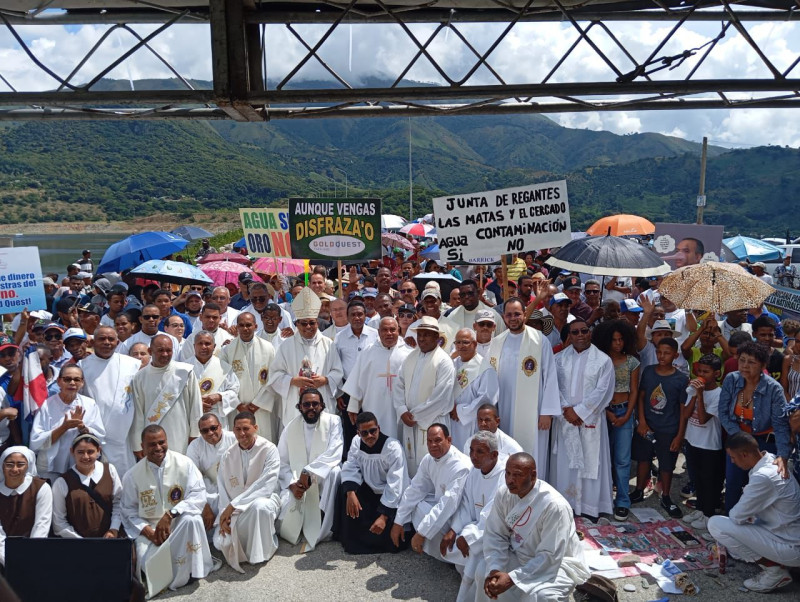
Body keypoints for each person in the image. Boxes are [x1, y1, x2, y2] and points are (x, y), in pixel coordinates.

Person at [477, 452, 590, 601]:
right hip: (519, 553)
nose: (510, 480)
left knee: (542, 596)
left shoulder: (554, 506)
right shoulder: (504, 493)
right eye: (508, 473)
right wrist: (496, 568)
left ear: (533, 475)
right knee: (483, 571)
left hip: (558, 564)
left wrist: (512, 578)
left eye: (517, 475)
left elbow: (550, 556)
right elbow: (495, 534)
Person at [122, 425, 217, 594]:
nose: (158, 448)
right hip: (151, 529)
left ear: (167, 441)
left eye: (161, 442)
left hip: (177, 522)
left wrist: (170, 514)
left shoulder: (184, 463)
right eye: (151, 444)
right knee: (148, 564)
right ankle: (175, 570)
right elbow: (128, 511)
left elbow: (198, 494)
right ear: (142, 446)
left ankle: (192, 571)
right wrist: (148, 532)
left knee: (192, 519)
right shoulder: (132, 475)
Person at [708, 432, 800, 592]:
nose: (732, 461)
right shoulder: (769, 459)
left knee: (716, 524)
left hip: (791, 546)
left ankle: (774, 572)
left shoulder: (763, 476)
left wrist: (748, 519)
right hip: (783, 532)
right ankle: (776, 562)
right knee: (737, 537)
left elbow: (736, 516)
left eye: (733, 457)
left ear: (744, 454)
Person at [478, 298, 560, 479]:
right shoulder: (497, 342)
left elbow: (550, 376)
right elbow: (489, 378)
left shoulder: (539, 340)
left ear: (524, 314)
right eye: (509, 315)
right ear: (503, 317)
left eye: (517, 314)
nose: (513, 318)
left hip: (533, 412)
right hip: (504, 410)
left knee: (532, 454)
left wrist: (547, 412)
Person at [551, 319, 615, 520]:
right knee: (565, 463)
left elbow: (603, 391)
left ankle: (589, 507)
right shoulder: (558, 359)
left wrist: (579, 412)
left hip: (590, 421)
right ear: (569, 336)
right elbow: (553, 387)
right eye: (575, 332)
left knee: (590, 461)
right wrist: (565, 410)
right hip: (565, 420)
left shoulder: (603, 360)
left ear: (590, 333)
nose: (580, 335)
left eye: (584, 331)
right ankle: (565, 505)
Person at [717, 341, 791, 511]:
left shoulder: (774, 389)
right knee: (733, 486)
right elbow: (723, 413)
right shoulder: (732, 379)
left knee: (759, 489)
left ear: (763, 365)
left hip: (764, 444)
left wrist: (783, 455)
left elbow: (780, 425)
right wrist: (742, 439)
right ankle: (730, 528)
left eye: (751, 362)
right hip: (737, 439)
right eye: (742, 360)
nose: (744, 366)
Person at [441, 431, 506, 601]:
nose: (473, 456)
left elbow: (493, 517)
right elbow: (466, 505)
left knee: (476, 558)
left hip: (496, 533)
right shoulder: (475, 471)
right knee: (451, 544)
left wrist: (469, 537)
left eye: (480, 452)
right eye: (471, 451)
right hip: (476, 529)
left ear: (494, 455)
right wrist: (454, 530)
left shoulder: (504, 477)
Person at [391, 423, 471, 559]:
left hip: (461, 518)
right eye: (429, 441)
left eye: (438, 440)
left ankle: (449, 556)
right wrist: (398, 522)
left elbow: (448, 505)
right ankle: (439, 552)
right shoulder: (429, 459)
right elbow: (415, 489)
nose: (433, 445)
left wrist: (421, 533)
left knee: (429, 515)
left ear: (449, 440)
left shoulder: (461, 466)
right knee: (416, 504)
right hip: (444, 512)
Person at [214, 411, 281, 572]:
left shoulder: (269, 449)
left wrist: (234, 505)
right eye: (238, 429)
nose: (242, 433)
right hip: (234, 508)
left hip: (266, 498)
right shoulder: (228, 454)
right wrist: (224, 514)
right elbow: (222, 486)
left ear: (255, 427)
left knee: (260, 507)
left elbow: (266, 484)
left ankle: (261, 552)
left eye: (246, 428)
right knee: (221, 542)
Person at [268, 288, 343, 431]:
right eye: (303, 323)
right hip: (296, 400)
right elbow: (275, 374)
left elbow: (337, 371)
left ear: (317, 323)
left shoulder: (328, 344)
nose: (308, 327)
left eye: (312, 323)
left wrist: (325, 380)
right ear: (297, 324)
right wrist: (293, 380)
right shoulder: (286, 346)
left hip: (322, 397)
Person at [277, 388, 343, 550]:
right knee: (285, 508)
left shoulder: (333, 421)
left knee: (335, 472)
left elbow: (335, 452)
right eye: (306, 405)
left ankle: (327, 527)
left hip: (323, 479)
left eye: (315, 404)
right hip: (298, 481)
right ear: (299, 407)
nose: (311, 408)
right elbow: (281, 462)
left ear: (323, 406)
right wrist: (293, 484)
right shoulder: (290, 428)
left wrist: (309, 472)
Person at [630, 337, 688, 518]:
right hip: (647, 426)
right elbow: (641, 397)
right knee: (643, 459)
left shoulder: (681, 379)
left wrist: (679, 436)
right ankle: (639, 490)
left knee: (667, 464)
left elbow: (682, 411)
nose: (662, 356)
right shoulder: (648, 372)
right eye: (659, 352)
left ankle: (666, 496)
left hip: (668, 429)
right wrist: (642, 421)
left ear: (675, 355)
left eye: (667, 353)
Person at [336, 411, 409, 554]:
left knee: (392, 540)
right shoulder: (356, 443)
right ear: (358, 433)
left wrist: (383, 516)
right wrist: (351, 493)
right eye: (364, 433)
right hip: (369, 491)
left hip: (389, 496)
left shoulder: (392, 448)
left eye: (373, 431)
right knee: (344, 490)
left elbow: (396, 483)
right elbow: (351, 466)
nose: (369, 436)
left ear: (379, 428)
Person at [392, 316, 456, 476]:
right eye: (419, 334)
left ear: (437, 337)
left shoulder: (444, 361)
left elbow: (441, 398)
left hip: (432, 422)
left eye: (426, 334)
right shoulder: (411, 357)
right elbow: (399, 384)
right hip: (410, 421)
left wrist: (413, 415)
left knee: (432, 466)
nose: (421, 339)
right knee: (411, 463)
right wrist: (401, 410)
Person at [592, 320, 639, 521]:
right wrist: (607, 411)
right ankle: (601, 499)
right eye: (614, 340)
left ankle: (622, 501)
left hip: (624, 412)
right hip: (604, 412)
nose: (618, 344)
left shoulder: (632, 362)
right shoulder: (601, 360)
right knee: (602, 458)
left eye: (621, 340)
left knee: (622, 460)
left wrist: (628, 415)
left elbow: (634, 390)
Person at [79, 326, 140, 476]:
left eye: (111, 339)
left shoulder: (132, 364)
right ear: (92, 342)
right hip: (95, 436)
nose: (107, 342)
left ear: (118, 342)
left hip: (124, 436)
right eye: (102, 339)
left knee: (126, 481)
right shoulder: (82, 366)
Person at [30, 365, 106, 481]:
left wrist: (83, 428)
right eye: (67, 379)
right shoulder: (47, 405)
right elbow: (36, 441)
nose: (72, 383)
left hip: (81, 466)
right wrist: (64, 427)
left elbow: (100, 435)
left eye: (76, 379)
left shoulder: (90, 404)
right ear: (59, 382)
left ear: (82, 383)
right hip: (52, 468)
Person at [129, 334, 201, 456]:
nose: (165, 354)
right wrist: (138, 444)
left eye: (169, 350)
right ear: (150, 351)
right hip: (153, 440)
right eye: (160, 350)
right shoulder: (140, 378)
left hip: (182, 434)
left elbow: (195, 406)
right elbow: (138, 414)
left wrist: (195, 436)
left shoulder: (185, 372)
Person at [344, 317, 411, 440]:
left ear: (398, 330)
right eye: (385, 330)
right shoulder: (368, 352)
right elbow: (357, 380)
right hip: (373, 405)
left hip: (399, 408)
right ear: (379, 332)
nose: (389, 333)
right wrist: (353, 406)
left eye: (392, 330)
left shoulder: (408, 353)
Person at [680, 354, 724, 531]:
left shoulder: (718, 394)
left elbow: (704, 418)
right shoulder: (694, 389)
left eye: (706, 372)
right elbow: (685, 415)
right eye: (699, 371)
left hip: (709, 445)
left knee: (709, 481)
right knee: (696, 478)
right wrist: (694, 394)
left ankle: (708, 515)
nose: (701, 375)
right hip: (692, 441)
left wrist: (699, 394)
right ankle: (700, 509)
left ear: (716, 374)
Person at [219, 312, 279, 440]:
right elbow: (223, 381)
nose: (245, 328)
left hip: (261, 408)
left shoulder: (268, 348)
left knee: (263, 443)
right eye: (241, 325)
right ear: (237, 327)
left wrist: (256, 405)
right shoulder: (227, 350)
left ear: (255, 326)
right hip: (237, 408)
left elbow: (273, 379)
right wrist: (239, 405)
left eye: (248, 325)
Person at [51, 433, 123, 538]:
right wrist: (81, 541)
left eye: (90, 452)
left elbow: (119, 503)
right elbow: (59, 522)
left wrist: (113, 529)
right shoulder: (62, 482)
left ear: (98, 451)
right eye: (80, 452)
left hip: (110, 541)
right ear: (72, 452)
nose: (85, 457)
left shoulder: (110, 470)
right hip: (77, 547)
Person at [335, 300, 379, 453]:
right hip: (348, 390)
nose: (357, 318)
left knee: (371, 425)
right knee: (351, 427)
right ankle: (352, 461)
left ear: (365, 315)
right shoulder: (340, 338)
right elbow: (336, 366)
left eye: (360, 314)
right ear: (347, 317)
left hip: (371, 389)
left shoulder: (375, 336)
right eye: (353, 315)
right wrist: (339, 393)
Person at [0, 447, 52, 566]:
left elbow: (41, 525)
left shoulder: (41, 488)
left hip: (34, 555)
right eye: (9, 464)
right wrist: (7, 559)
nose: (14, 469)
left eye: (20, 464)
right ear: (2, 466)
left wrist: (30, 555)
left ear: (28, 466)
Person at [187, 413, 236, 524]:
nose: (210, 433)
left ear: (220, 425)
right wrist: (204, 505)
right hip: (208, 491)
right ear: (200, 432)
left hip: (233, 487)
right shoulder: (194, 446)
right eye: (205, 431)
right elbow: (192, 478)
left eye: (213, 428)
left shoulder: (234, 439)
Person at [188, 331, 240, 429]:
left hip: (217, 418)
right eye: (200, 343)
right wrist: (197, 405)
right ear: (194, 346)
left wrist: (220, 396)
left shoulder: (224, 367)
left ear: (214, 346)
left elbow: (234, 391)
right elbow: (180, 396)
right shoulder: (185, 368)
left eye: (207, 344)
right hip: (192, 417)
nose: (204, 347)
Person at [449, 328, 487, 449]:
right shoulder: (451, 364)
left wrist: (460, 411)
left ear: (475, 344)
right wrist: (449, 406)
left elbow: (486, 399)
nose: (461, 346)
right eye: (458, 342)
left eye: (465, 342)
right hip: (450, 419)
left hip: (470, 423)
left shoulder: (485, 368)